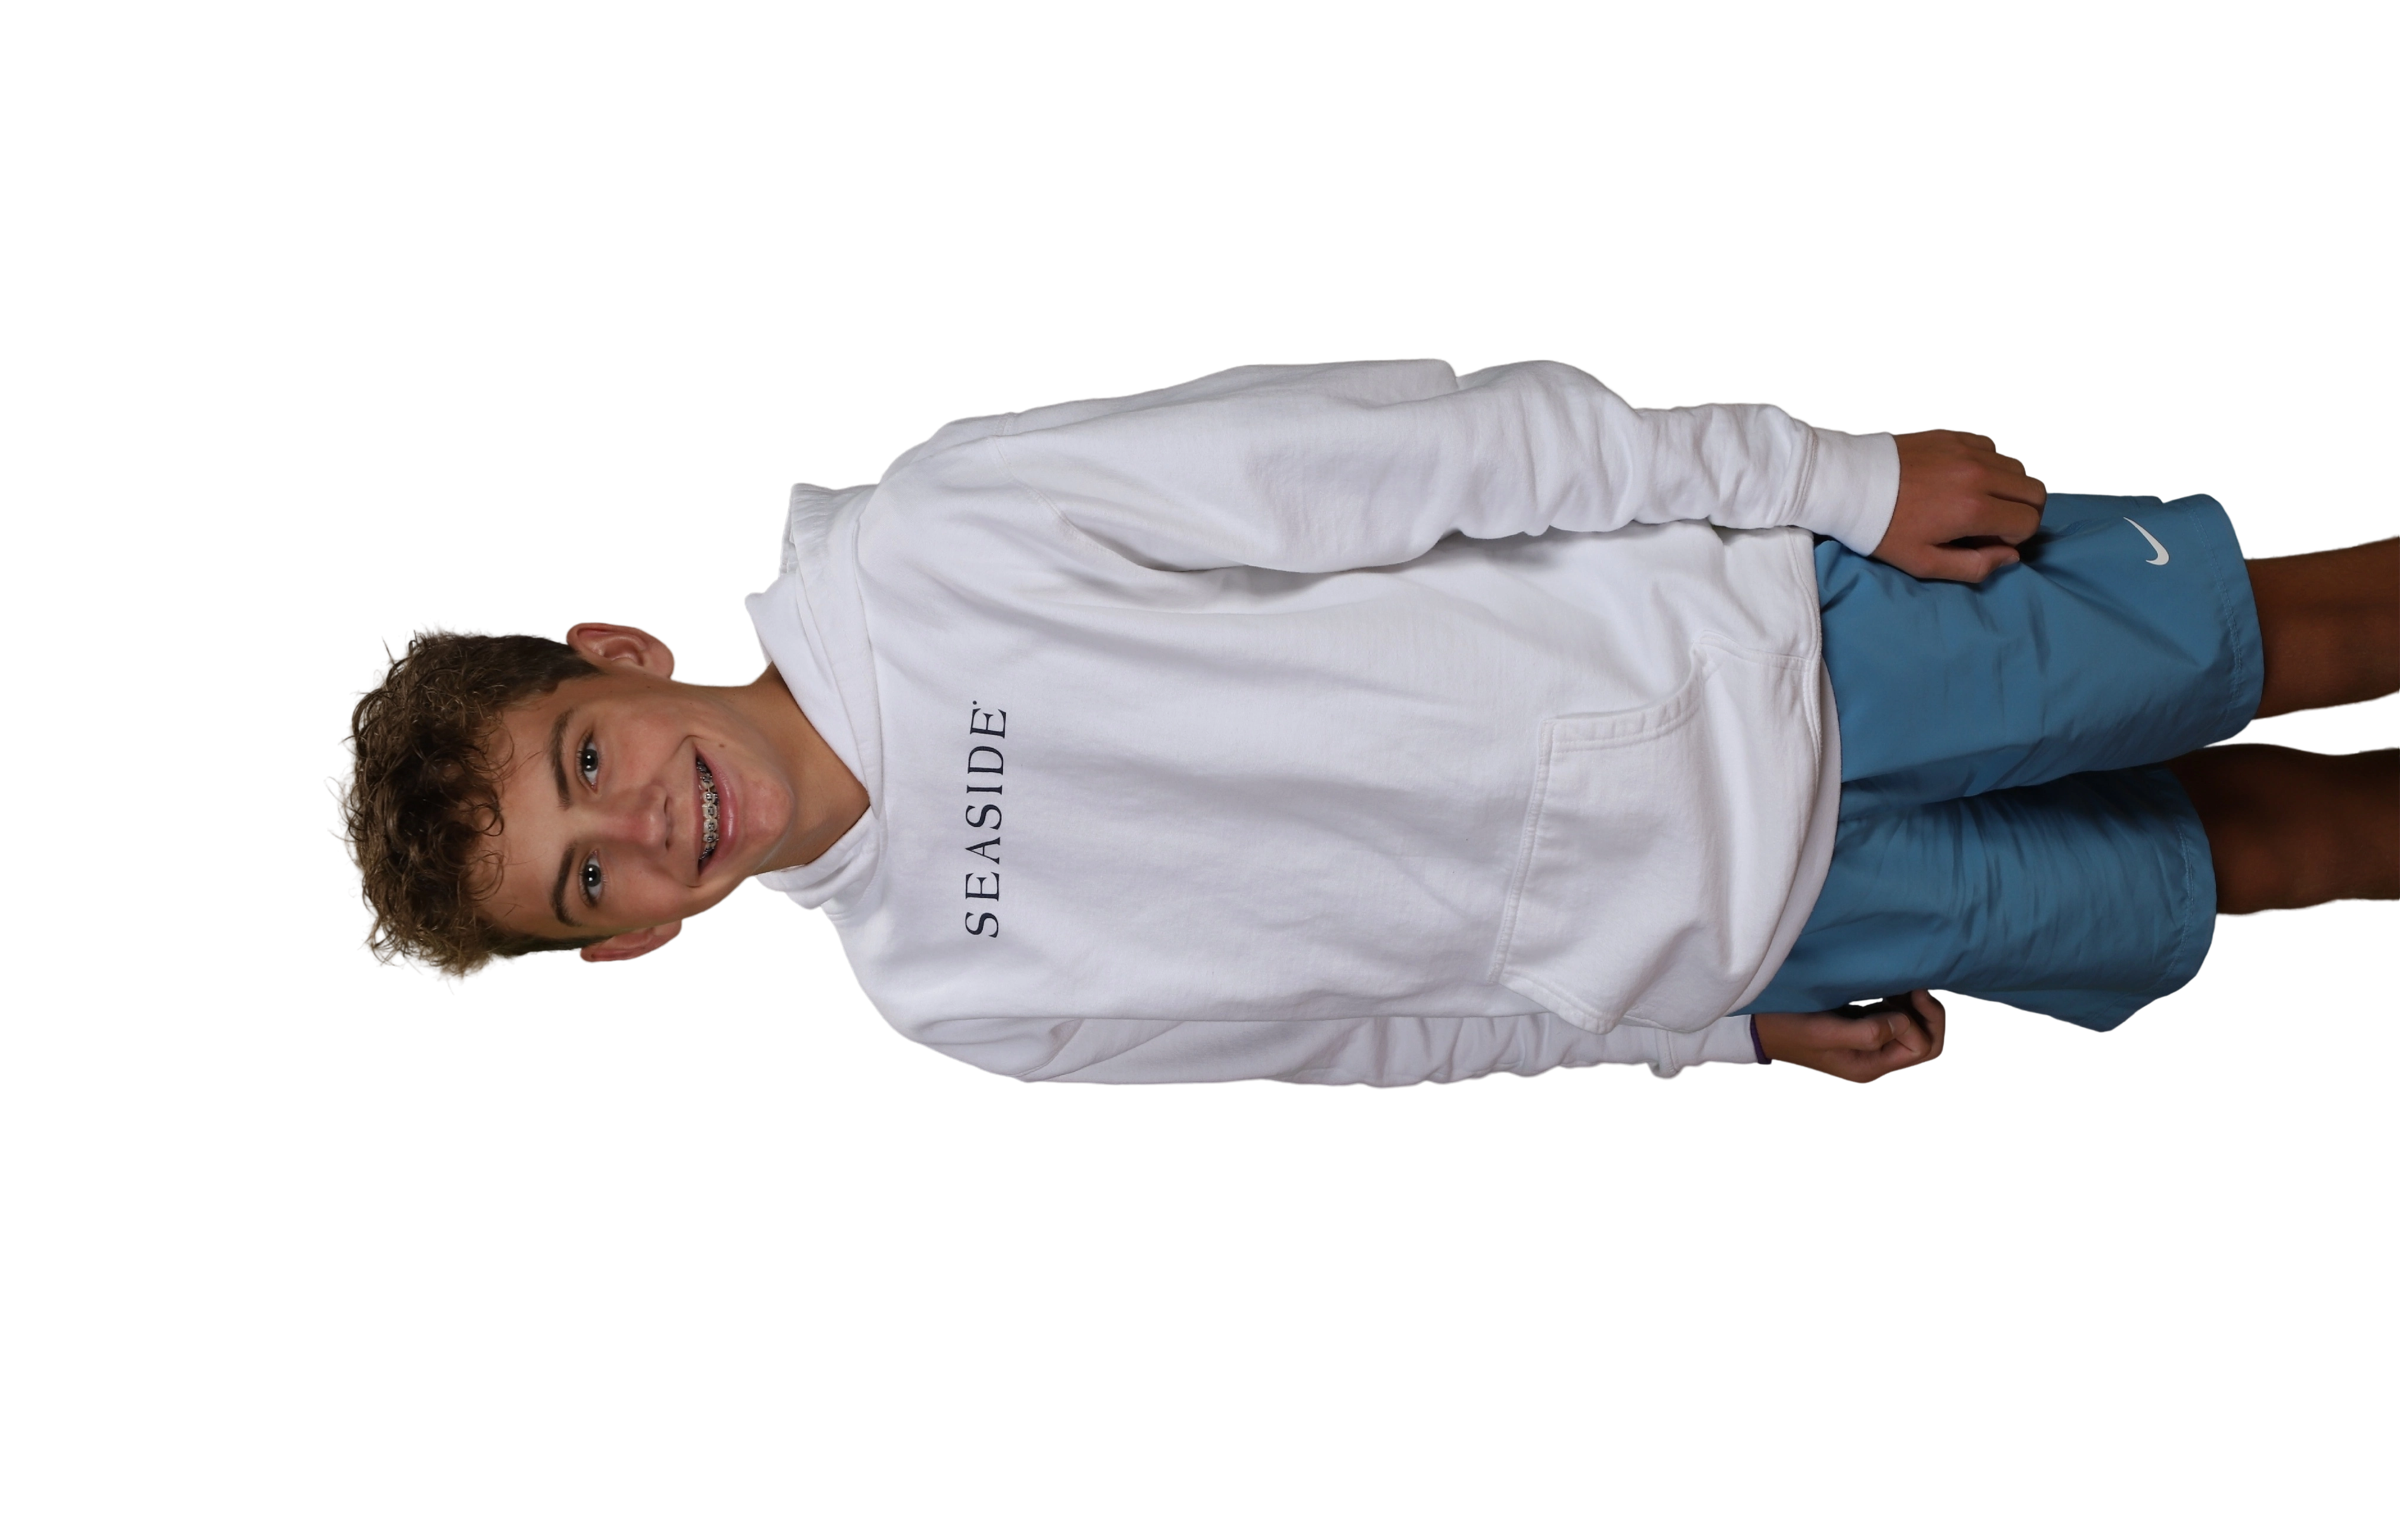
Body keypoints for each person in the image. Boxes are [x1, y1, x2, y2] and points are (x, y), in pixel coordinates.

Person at [323, 357, 2400, 1089]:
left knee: (2291, 637)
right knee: (2288, 858)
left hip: (1770, 652)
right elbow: (1368, 1032)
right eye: (586, 881)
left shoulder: (938, 538)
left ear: (622, 654)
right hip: (1768, 926)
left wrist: (1829, 480)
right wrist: (1707, 1028)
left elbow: (1422, 451)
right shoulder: (955, 1000)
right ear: (634, 944)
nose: (643, 827)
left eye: (583, 762)